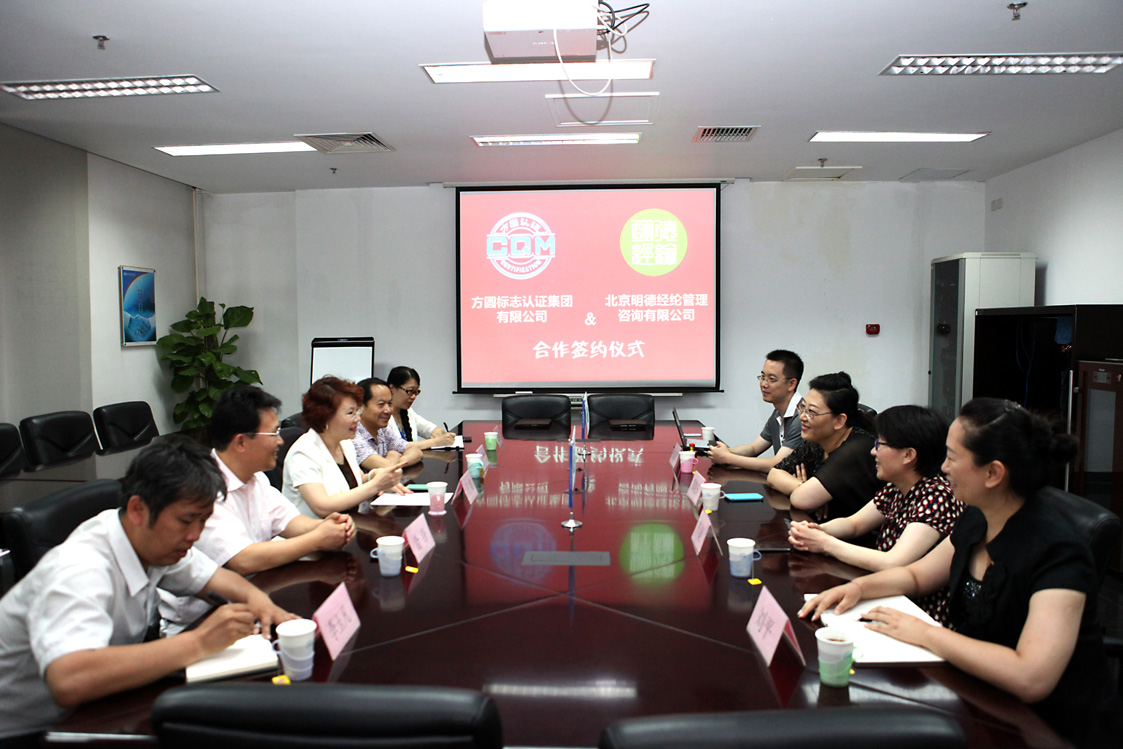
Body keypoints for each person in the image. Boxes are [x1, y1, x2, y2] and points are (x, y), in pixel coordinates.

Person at [799, 398, 1123, 747]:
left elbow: (1031, 677)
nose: (943, 467)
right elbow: (917, 576)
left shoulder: (1057, 552)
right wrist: (859, 589)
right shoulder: (979, 516)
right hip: (977, 691)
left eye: (952, 458)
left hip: (1046, 727)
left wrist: (925, 633)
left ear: (993, 473)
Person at [0, 437, 294, 742]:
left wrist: (261, 602)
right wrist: (200, 642)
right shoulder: (80, 568)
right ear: (138, 509)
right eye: (187, 520)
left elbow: (216, 579)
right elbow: (69, 680)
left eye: (203, 521)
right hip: (24, 731)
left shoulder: (149, 539)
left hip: (95, 709)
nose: (195, 535)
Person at [160, 386, 356, 629]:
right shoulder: (201, 487)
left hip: (256, 598)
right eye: (273, 434)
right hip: (199, 622)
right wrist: (317, 539)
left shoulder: (256, 479)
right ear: (241, 442)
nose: (280, 441)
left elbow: (291, 522)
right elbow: (243, 560)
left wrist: (330, 527)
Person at [788, 405, 963, 622]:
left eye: (880, 444)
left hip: (918, 613)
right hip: (888, 597)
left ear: (908, 455)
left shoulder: (937, 495)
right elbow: (854, 524)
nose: (873, 452)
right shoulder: (897, 488)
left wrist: (824, 543)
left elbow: (894, 562)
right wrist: (814, 530)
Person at [767, 371, 881, 527]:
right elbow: (774, 474)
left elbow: (801, 499)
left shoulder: (857, 448)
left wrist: (808, 493)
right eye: (803, 407)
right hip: (822, 528)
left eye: (812, 412)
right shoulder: (818, 441)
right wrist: (803, 487)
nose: (802, 417)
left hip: (853, 537)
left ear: (839, 420)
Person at [282, 375, 407, 518]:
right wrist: (375, 485)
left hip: (348, 522)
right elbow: (322, 507)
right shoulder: (303, 453)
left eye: (357, 412)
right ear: (325, 416)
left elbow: (355, 480)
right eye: (350, 413)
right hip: (315, 529)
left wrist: (373, 476)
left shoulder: (344, 442)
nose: (357, 419)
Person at [709, 349, 804, 471]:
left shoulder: (802, 416)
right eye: (763, 377)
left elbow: (777, 464)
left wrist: (727, 457)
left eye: (772, 379)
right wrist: (720, 451)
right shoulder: (778, 413)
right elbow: (753, 448)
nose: (764, 384)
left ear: (791, 384)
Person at [354, 377, 423, 471]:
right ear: (360, 406)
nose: (388, 410)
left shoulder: (382, 431)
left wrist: (395, 461)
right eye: (381, 404)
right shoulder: (353, 435)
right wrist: (393, 454)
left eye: (390, 404)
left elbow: (416, 452)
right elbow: (385, 467)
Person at [387, 366, 456, 450]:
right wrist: (435, 442)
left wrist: (441, 436)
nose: (413, 397)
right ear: (392, 388)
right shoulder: (382, 415)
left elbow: (434, 429)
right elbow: (396, 446)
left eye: (416, 392)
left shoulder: (408, 412)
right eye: (409, 391)